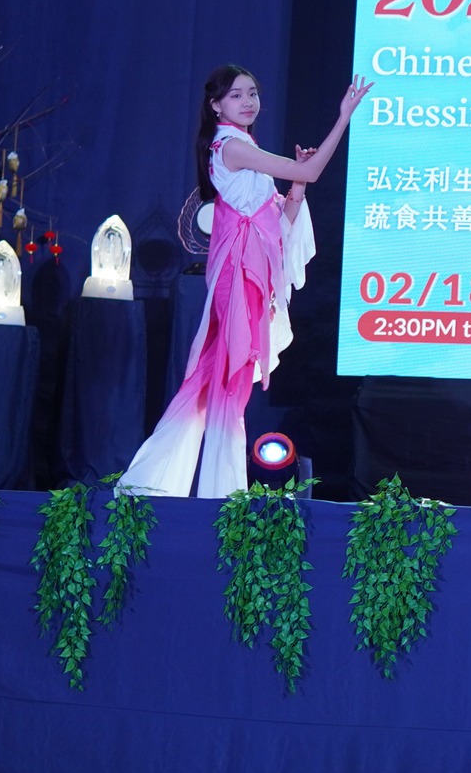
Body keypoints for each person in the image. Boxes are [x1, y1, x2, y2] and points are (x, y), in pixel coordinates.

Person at [120, 66, 369, 498]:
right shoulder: (232, 145)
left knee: (222, 387)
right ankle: (210, 490)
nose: (248, 101)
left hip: (251, 273)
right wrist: (343, 117)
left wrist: (295, 184)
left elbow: (282, 218)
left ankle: (181, 486)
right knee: (226, 385)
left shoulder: (244, 146)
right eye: (236, 96)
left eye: (252, 93)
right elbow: (309, 172)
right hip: (239, 274)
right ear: (217, 105)